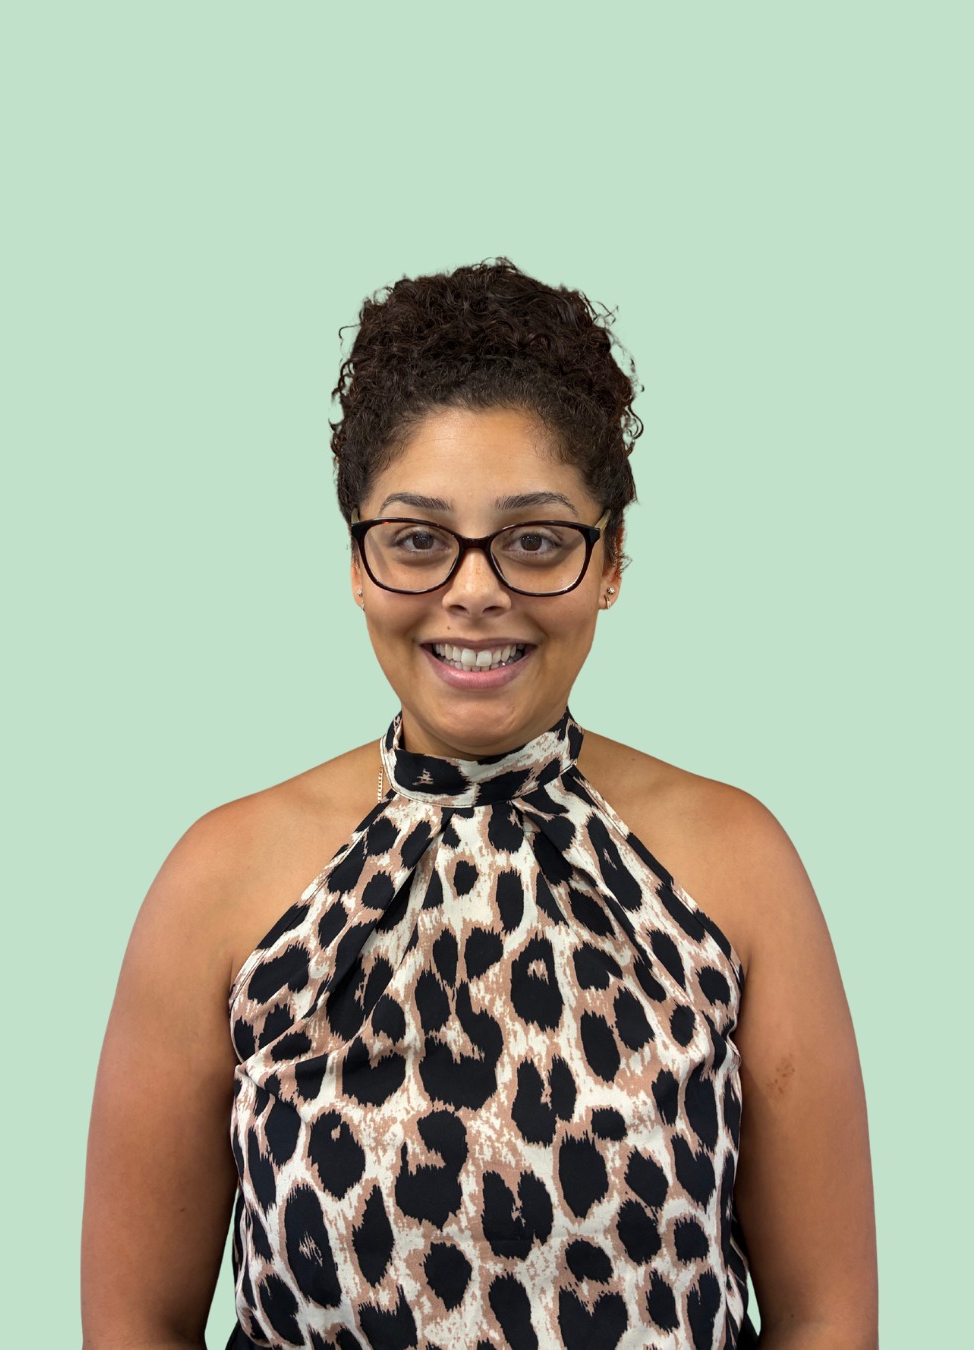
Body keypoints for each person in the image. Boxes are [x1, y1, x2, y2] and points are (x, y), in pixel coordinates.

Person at [82, 260, 877, 1349]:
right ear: (357, 562)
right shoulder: (216, 883)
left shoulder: (740, 866)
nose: (474, 591)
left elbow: (827, 1315)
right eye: (417, 539)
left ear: (611, 561)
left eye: (535, 540)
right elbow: (135, 1322)